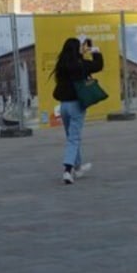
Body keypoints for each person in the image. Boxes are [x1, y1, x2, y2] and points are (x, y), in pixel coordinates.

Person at [51, 37, 103, 184]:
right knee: (74, 138)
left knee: (72, 137)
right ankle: (67, 170)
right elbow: (98, 65)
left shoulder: (61, 65)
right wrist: (93, 49)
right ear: (76, 49)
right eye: (80, 47)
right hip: (76, 106)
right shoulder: (80, 65)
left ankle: (78, 167)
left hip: (63, 106)